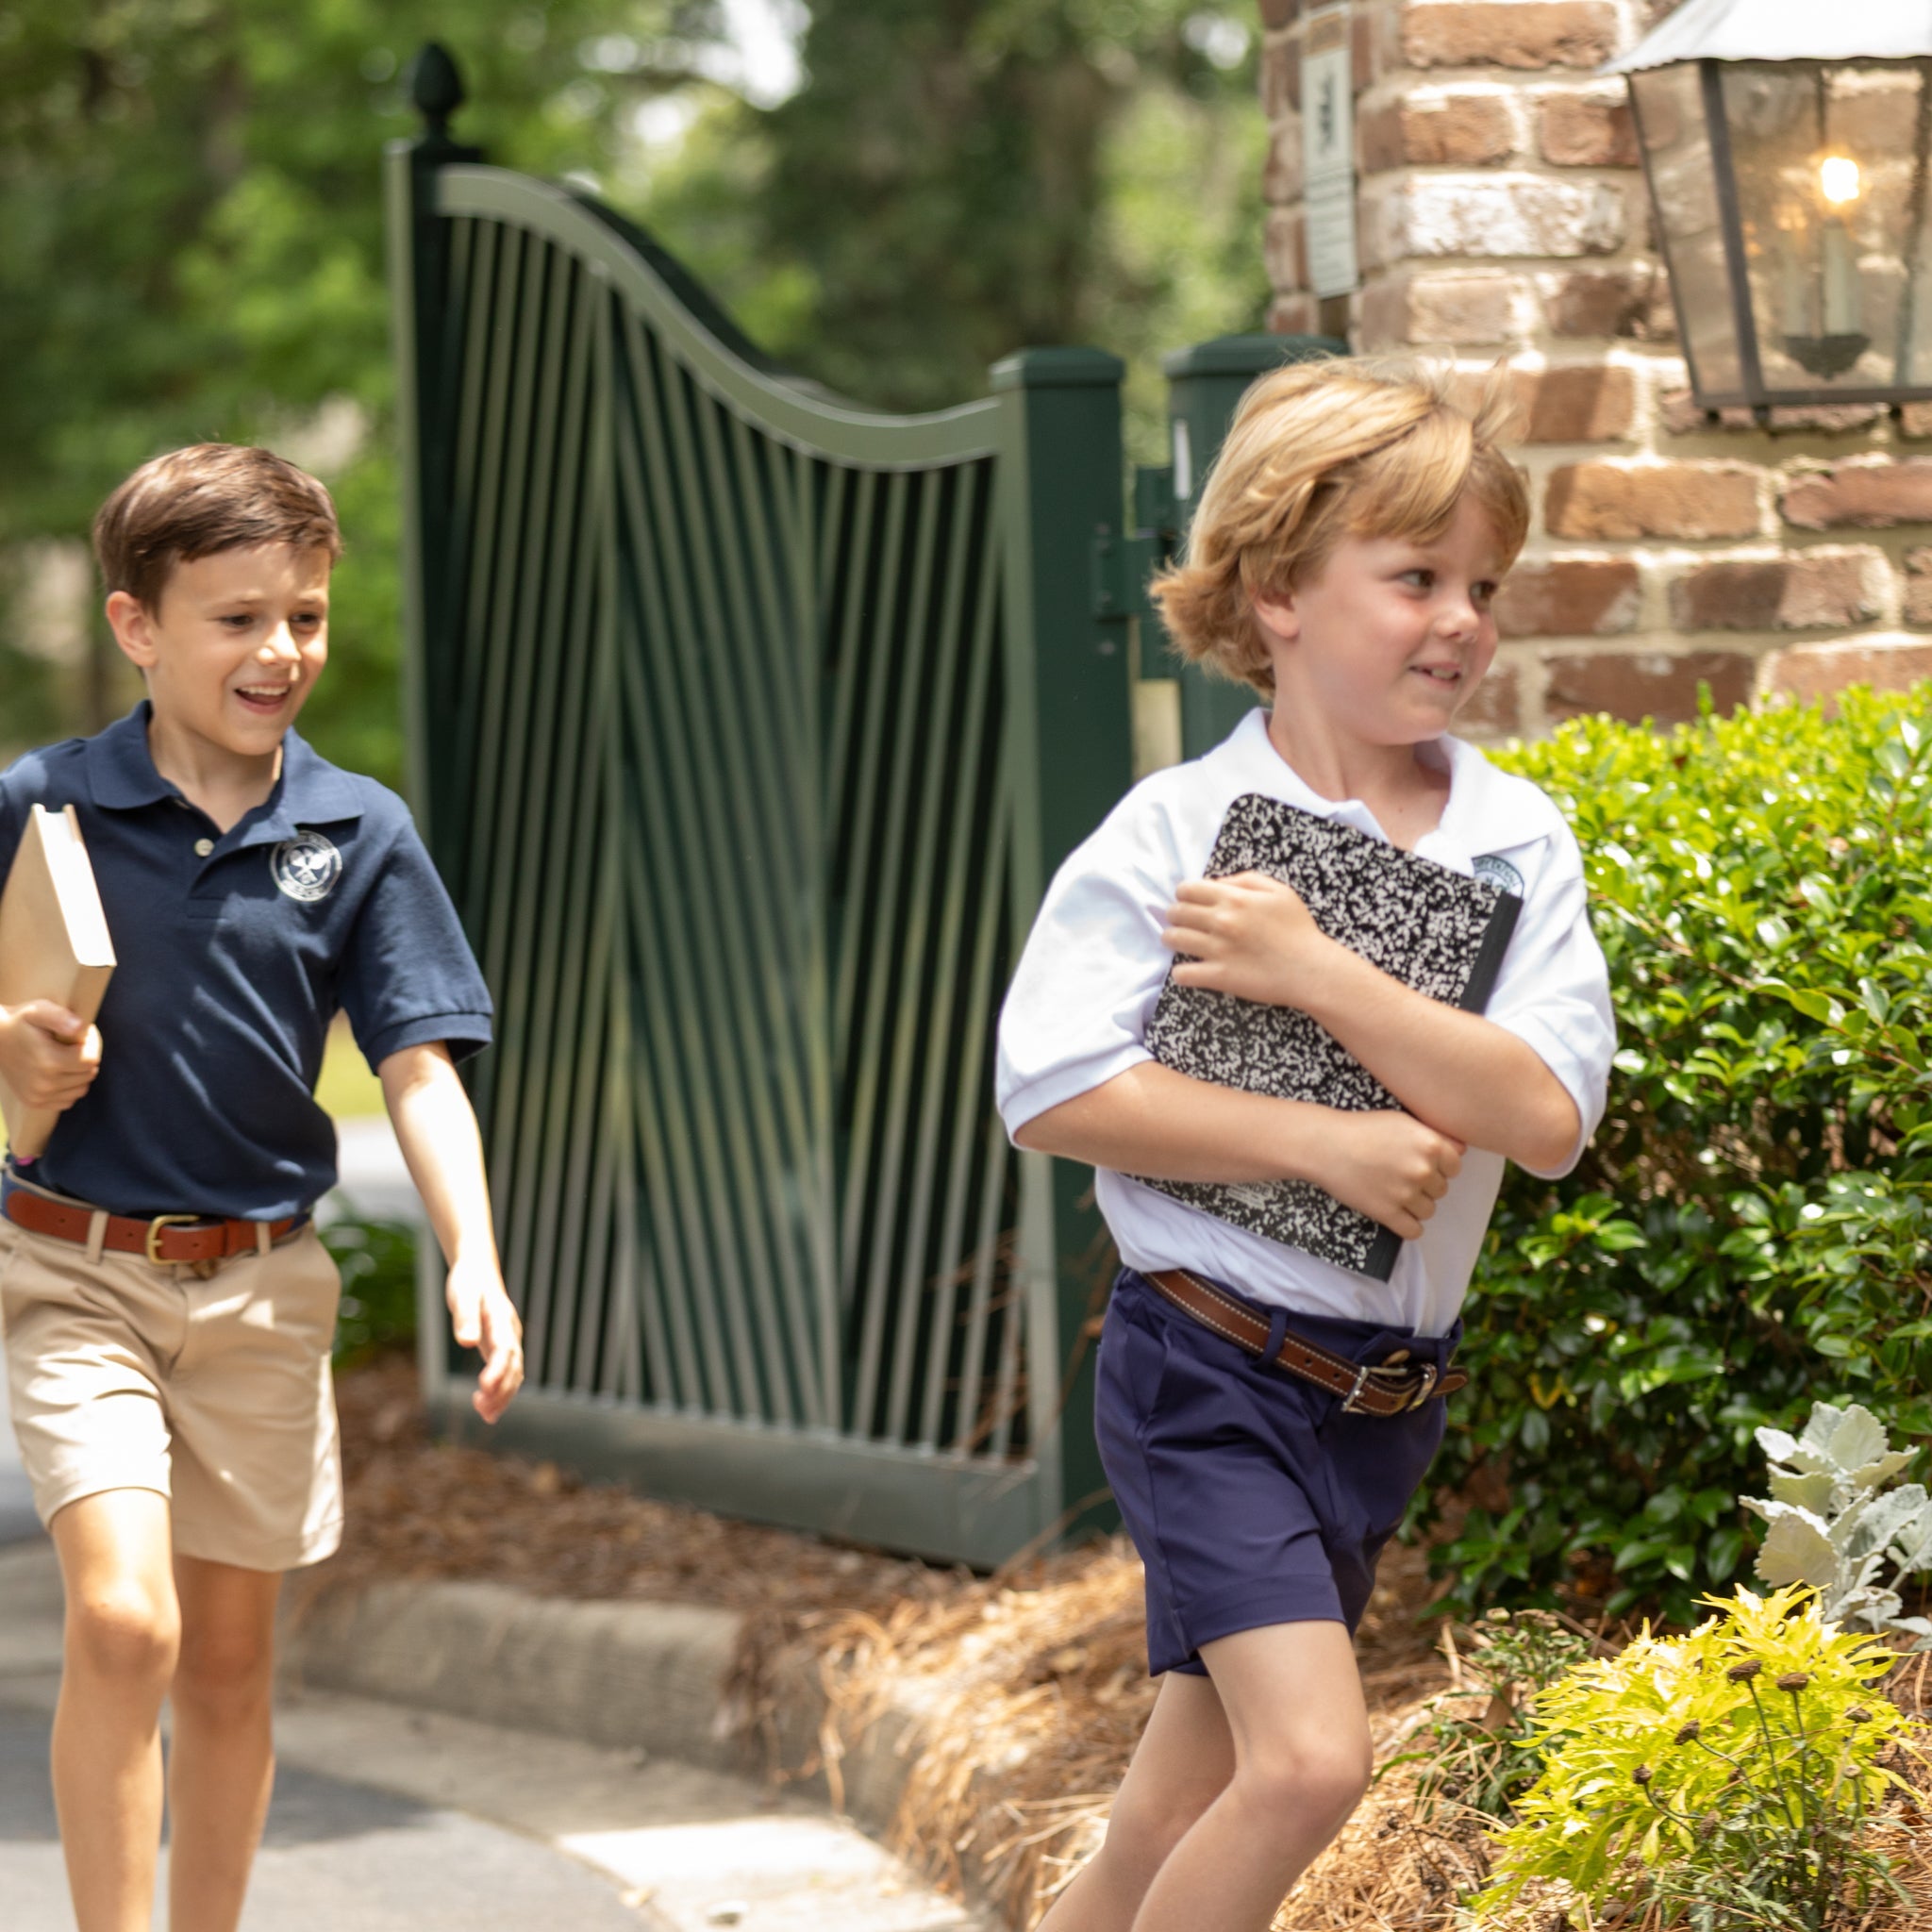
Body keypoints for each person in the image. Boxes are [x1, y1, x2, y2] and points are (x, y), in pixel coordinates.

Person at [995, 359, 1614, 1932]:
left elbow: (1544, 1117)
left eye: (1483, 586)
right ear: (1277, 592)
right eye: (1416, 579)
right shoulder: (1173, 833)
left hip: (1379, 1401)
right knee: (1311, 1765)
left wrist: (1318, 972)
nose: (1461, 620)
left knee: (1170, 1812)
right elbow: (1052, 1087)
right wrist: (1326, 1145)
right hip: (1209, 1371)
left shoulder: (1514, 841)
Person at [0, 443, 523, 1932]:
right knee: (123, 1621)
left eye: (304, 615)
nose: (279, 649)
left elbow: (418, 1066)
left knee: (228, 1668)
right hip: (72, 1275)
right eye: (237, 619)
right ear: (136, 625)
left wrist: (473, 1256)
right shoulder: (42, 804)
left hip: (263, 1294)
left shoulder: (360, 831)